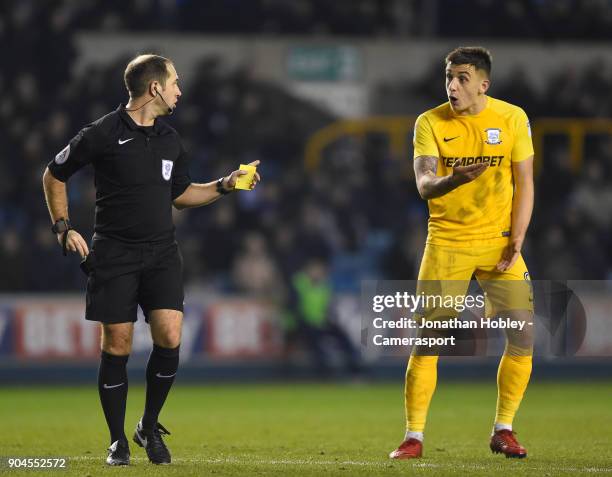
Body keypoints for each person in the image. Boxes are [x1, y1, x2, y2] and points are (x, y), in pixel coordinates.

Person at [41, 54, 260, 466]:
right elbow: (54, 174)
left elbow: (180, 195)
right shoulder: (102, 133)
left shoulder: (170, 139)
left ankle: (148, 425)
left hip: (161, 252)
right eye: (175, 82)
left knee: (170, 335)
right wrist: (63, 227)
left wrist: (226, 185)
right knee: (118, 344)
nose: (180, 89)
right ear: (155, 88)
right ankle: (116, 441)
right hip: (114, 253)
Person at [389, 47, 534, 460]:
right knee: (429, 341)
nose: (453, 85)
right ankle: (413, 436)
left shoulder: (512, 118)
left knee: (524, 335)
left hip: (500, 244)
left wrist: (518, 238)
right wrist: (452, 180)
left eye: (463, 78)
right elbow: (424, 185)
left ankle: (503, 429)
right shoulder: (429, 122)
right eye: (449, 77)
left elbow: (525, 181)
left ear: (483, 84)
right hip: (448, 243)